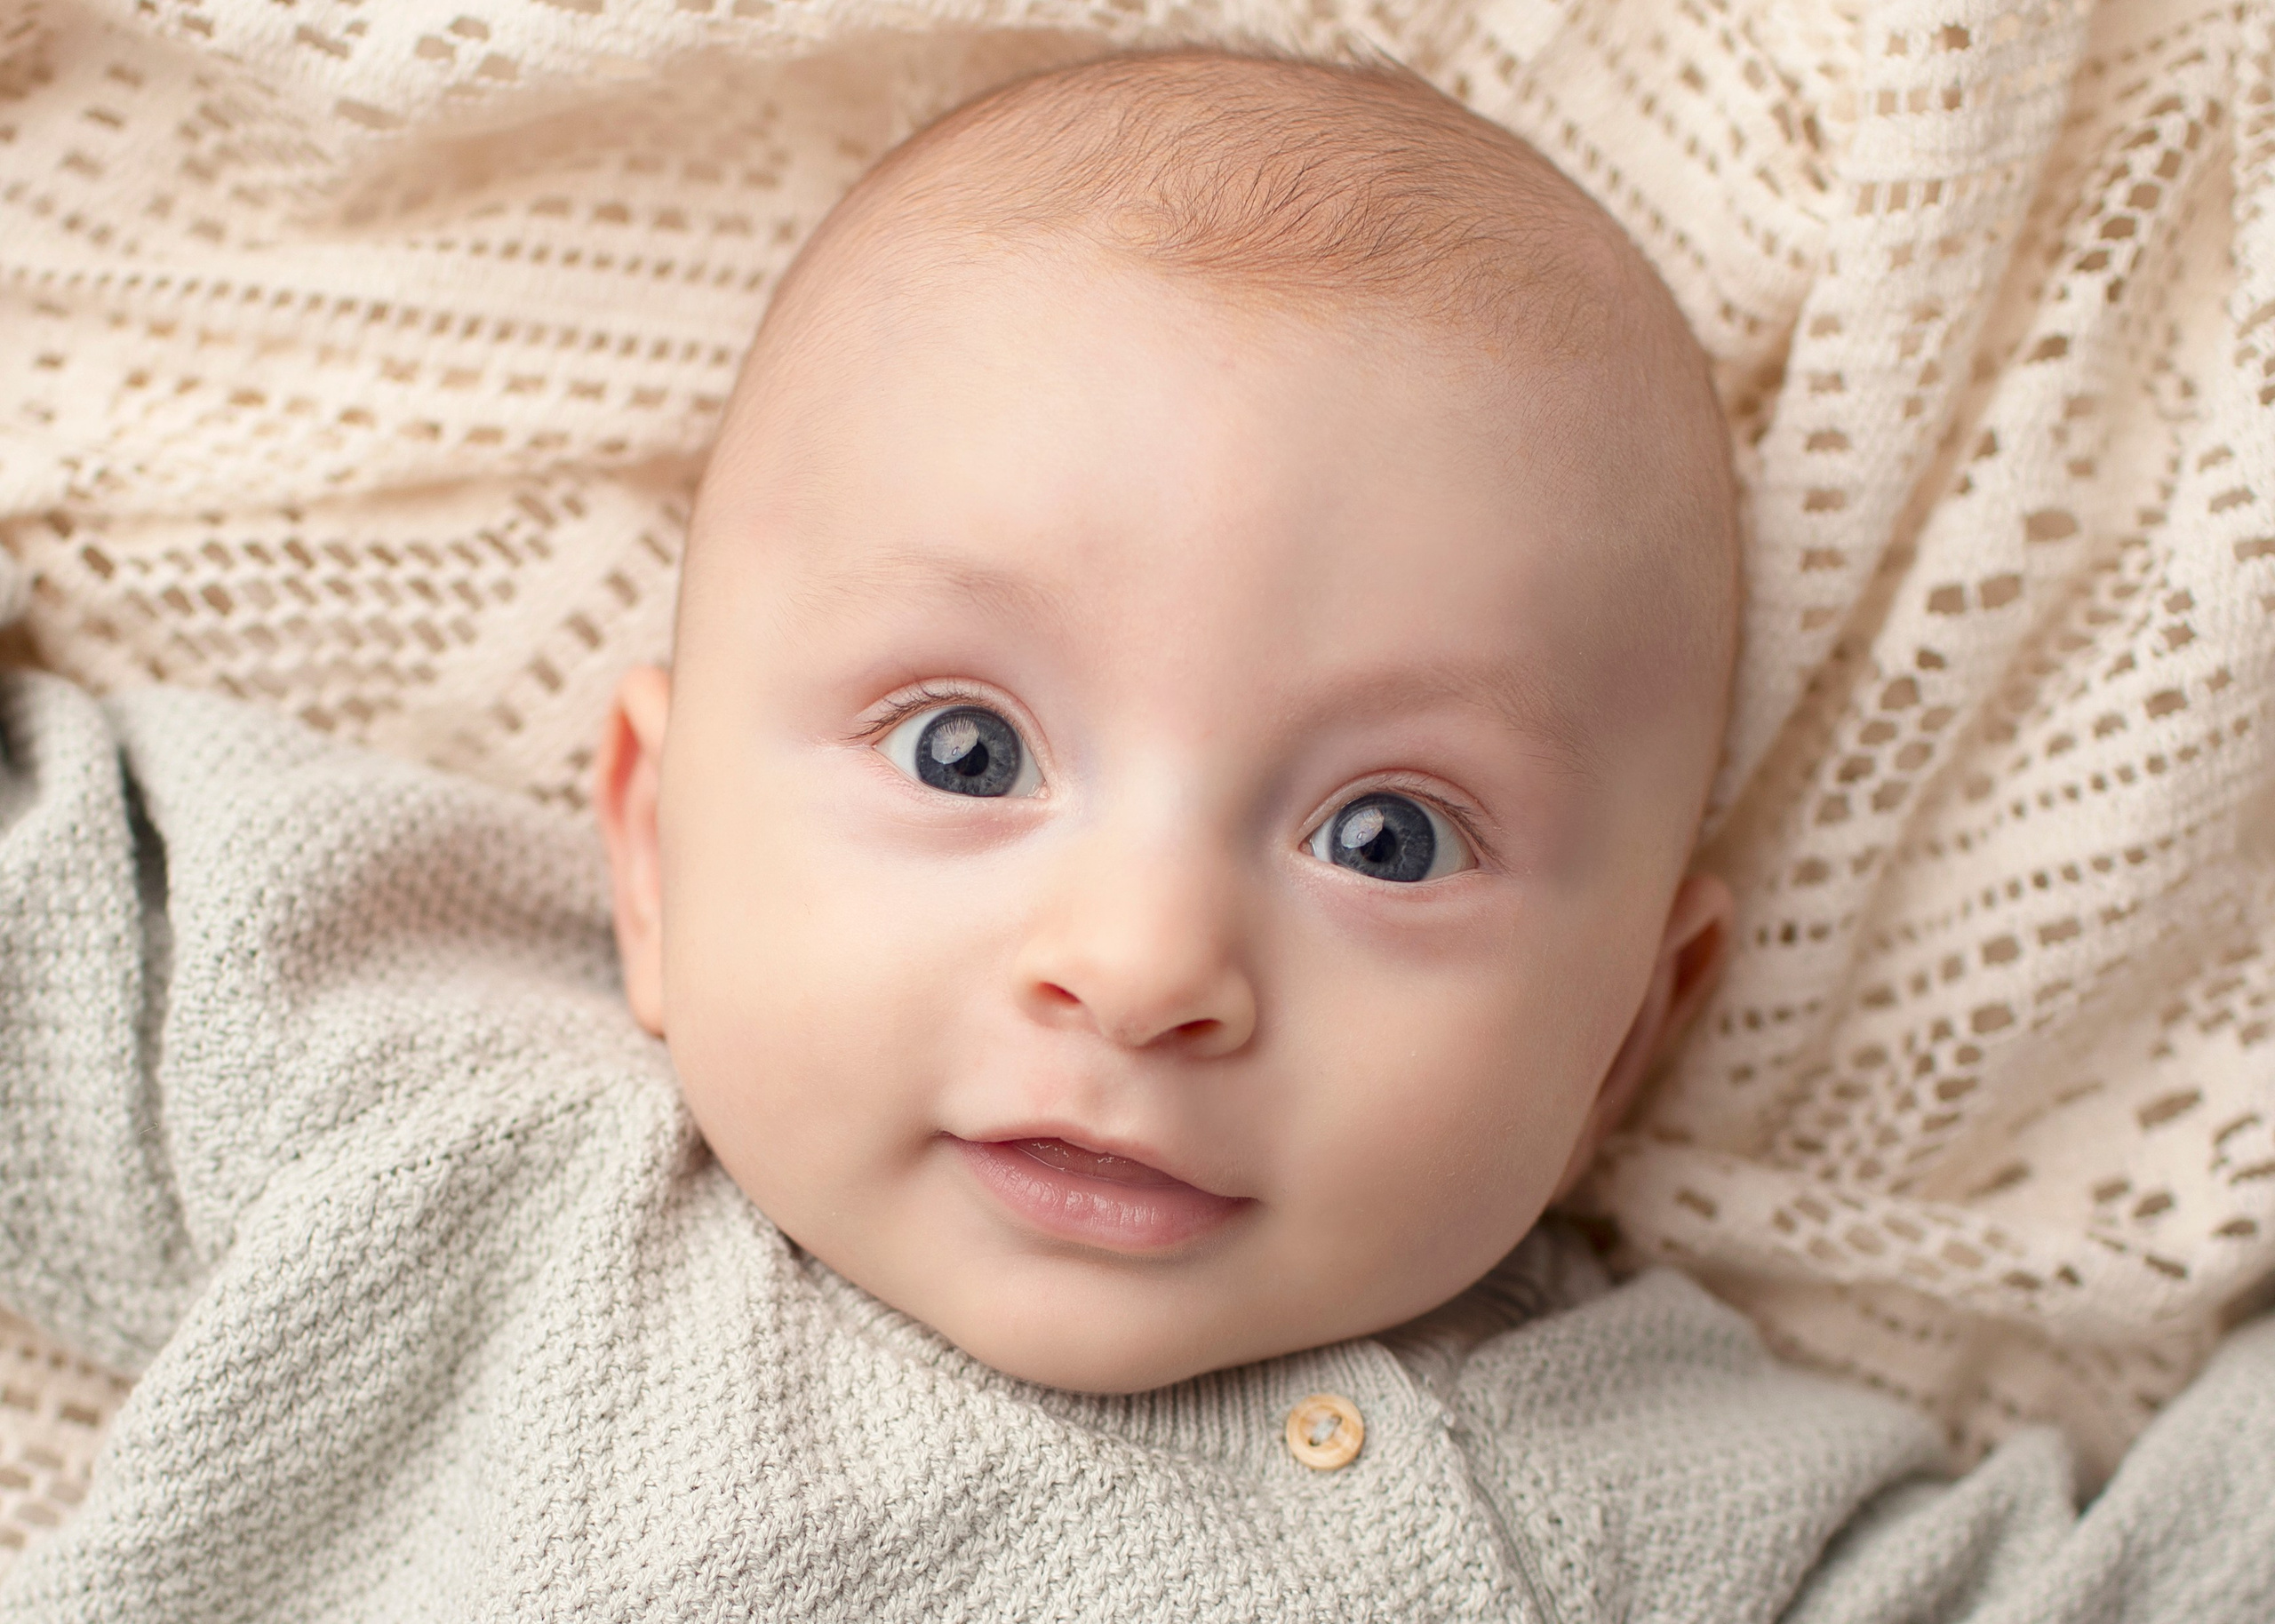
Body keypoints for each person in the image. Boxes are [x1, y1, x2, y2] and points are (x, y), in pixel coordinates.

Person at [0, 50, 2267, 1622]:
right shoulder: (431, 1120)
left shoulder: (1647, 1500)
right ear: (655, 850)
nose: (1146, 955)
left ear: (1618, 1036)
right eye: (964, 750)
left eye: (1388, 835)